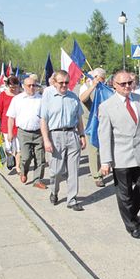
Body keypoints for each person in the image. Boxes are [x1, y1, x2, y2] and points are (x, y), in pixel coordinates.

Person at [98, 70, 140, 239]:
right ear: (114, 85)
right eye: (123, 84)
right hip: (121, 156)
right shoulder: (106, 106)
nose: (127, 86)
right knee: (124, 192)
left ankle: (130, 212)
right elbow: (104, 136)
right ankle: (131, 225)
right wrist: (105, 161)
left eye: (130, 83)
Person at [40, 70, 86, 210]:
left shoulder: (73, 97)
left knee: (73, 170)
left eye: (67, 82)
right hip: (55, 136)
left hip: (72, 134)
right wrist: (46, 140)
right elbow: (43, 120)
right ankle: (54, 191)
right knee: (56, 170)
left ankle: (72, 199)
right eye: (61, 83)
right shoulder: (48, 97)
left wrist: (82, 135)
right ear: (54, 83)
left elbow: (79, 118)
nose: (64, 85)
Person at [6, 77, 46, 189]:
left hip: (39, 132)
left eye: (34, 85)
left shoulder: (41, 99)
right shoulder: (17, 99)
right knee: (26, 156)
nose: (32, 87)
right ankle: (24, 172)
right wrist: (10, 133)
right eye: (29, 85)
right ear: (23, 86)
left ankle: (38, 180)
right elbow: (11, 118)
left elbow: (46, 118)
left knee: (40, 158)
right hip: (23, 132)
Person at [79, 68, 106, 188]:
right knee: (93, 149)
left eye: (104, 78)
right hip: (90, 122)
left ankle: (103, 169)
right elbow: (83, 99)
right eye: (101, 78)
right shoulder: (85, 86)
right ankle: (96, 175)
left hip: (103, 121)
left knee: (103, 148)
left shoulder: (104, 88)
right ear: (95, 77)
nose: (103, 81)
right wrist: (93, 86)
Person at [0, 76, 21, 173]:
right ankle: (10, 156)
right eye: (11, 87)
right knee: (9, 147)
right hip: (6, 124)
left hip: (18, 124)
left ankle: (18, 166)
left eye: (15, 86)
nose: (13, 89)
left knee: (18, 147)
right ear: (8, 85)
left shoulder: (21, 95)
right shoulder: (2, 95)